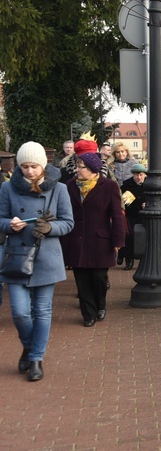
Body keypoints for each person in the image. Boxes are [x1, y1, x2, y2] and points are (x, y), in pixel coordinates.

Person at [0, 141, 74, 381]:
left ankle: (35, 359)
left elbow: (68, 222)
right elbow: (0, 219)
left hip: (45, 257)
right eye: (24, 167)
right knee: (20, 312)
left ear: (43, 165)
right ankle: (30, 346)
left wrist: (49, 227)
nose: (29, 171)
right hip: (17, 256)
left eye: (33, 166)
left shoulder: (59, 189)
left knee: (42, 311)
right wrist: (9, 224)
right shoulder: (7, 188)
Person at [62, 152, 125, 327]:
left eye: (81, 167)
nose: (77, 170)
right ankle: (88, 314)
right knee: (81, 279)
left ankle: (100, 305)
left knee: (99, 277)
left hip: (100, 240)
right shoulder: (69, 186)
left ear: (93, 170)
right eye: (77, 166)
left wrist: (118, 241)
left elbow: (116, 215)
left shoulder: (109, 186)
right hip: (76, 240)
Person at [120, 163, 147, 270]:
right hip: (130, 215)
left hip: (144, 216)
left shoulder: (150, 185)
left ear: (145, 175)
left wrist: (148, 204)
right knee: (129, 238)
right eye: (136, 175)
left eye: (141, 174)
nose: (138, 177)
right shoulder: (126, 185)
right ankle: (129, 260)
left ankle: (143, 260)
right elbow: (122, 201)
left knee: (143, 238)